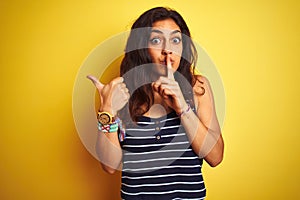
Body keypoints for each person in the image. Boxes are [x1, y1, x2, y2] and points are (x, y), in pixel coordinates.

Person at [87, 6, 224, 200]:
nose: (167, 49)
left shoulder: (197, 87)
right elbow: (109, 166)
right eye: (157, 40)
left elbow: (215, 157)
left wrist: (182, 108)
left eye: (176, 40)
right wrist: (107, 110)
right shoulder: (123, 94)